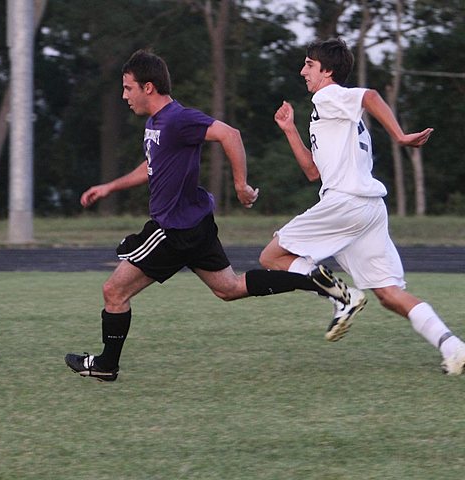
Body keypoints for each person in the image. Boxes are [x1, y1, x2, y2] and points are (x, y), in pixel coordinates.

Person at [64, 49, 363, 382]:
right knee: (230, 288)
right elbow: (153, 165)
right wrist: (110, 187)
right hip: (194, 225)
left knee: (113, 292)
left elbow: (229, 134)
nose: (124, 96)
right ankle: (318, 282)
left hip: (172, 229)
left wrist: (240, 185)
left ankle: (106, 366)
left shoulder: (178, 118)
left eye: (128, 88)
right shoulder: (156, 124)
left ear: (148, 87)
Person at [262, 38, 465, 374]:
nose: (303, 71)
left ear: (327, 71)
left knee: (272, 256)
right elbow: (313, 171)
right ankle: (453, 347)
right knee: (389, 294)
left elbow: (369, 96)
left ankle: (342, 297)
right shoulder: (330, 113)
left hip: (345, 203)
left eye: (309, 65)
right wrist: (289, 130)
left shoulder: (328, 96)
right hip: (369, 209)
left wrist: (399, 136)